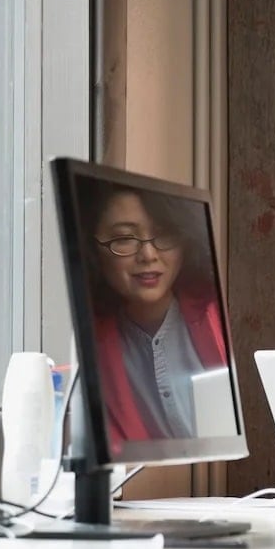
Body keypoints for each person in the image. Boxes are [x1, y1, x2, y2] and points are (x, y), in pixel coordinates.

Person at [81, 182, 227, 450]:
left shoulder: (221, 313)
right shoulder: (90, 347)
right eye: (124, 238)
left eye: (165, 234)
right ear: (93, 250)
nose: (148, 255)